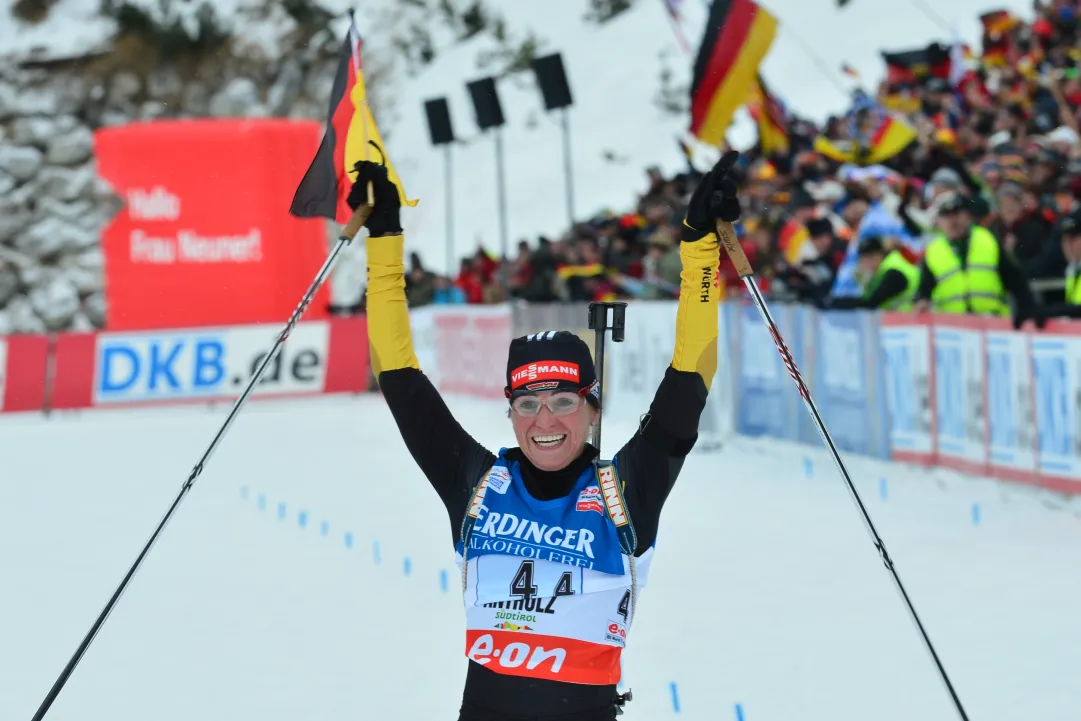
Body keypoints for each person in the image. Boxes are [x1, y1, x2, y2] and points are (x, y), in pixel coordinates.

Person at [353, 151, 741, 721]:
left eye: (563, 401)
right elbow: (399, 377)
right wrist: (384, 238)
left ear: (591, 410)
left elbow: (690, 375)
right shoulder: (478, 485)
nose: (546, 420)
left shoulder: (625, 494)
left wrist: (699, 249)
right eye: (529, 403)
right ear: (510, 414)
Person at [913, 192, 1042, 329]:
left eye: (956, 213)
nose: (952, 220)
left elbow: (1016, 281)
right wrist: (921, 300)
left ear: (968, 216)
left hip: (993, 325)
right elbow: (924, 289)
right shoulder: (934, 252)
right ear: (939, 221)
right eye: (946, 216)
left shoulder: (988, 241)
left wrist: (1030, 311)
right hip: (953, 330)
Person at [828, 235, 919, 310]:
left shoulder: (894, 272)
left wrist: (835, 302)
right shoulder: (886, 268)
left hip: (913, 324)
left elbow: (871, 303)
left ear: (877, 256)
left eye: (865, 260)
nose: (862, 265)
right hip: (905, 323)